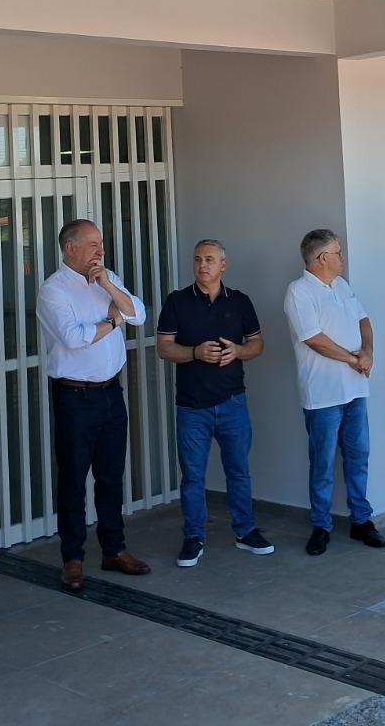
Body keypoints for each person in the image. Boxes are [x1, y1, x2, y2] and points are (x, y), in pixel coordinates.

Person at [36, 219, 151, 588]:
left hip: (111, 393)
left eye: (101, 243)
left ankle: (114, 549)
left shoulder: (107, 277)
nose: (101, 250)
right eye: (93, 244)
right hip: (75, 397)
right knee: (73, 480)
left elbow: (139, 315)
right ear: (71, 248)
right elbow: (75, 338)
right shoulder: (53, 290)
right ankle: (72, 558)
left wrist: (109, 287)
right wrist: (113, 322)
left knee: (111, 476)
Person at [157, 240, 273, 566]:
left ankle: (245, 531)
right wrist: (195, 352)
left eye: (209, 259)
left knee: (239, 472)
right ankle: (194, 537)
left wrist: (238, 351)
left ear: (223, 265)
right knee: (193, 477)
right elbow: (164, 347)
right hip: (192, 407)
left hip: (233, 402)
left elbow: (258, 344)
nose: (202, 265)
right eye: (197, 259)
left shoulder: (239, 301)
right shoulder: (177, 301)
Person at [283, 229, 385, 554]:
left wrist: (367, 351)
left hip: (355, 390)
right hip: (323, 395)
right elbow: (314, 339)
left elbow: (364, 319)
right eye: (338, 252)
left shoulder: (342, 285)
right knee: (323, 463)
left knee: (359, 457)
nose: (343, 258)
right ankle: (321, 526)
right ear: (322, 258)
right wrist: (354, 360)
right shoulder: (299, 292)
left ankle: (361, 521)